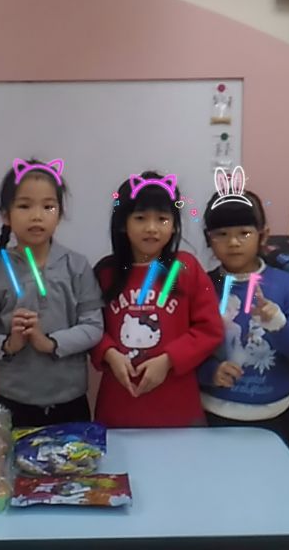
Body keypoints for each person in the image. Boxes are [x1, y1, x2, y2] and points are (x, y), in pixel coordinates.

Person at [0, 158, 104, 427]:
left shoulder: (77, 266)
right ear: (6, 215)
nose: (37, 215)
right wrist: (9, 344)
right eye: (24, 206)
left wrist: (49, 342)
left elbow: (94, 326)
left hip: (70, 399)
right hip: (11, 400)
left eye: (48, 206)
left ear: (59, 214)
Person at [90, 172, 224, 427]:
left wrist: (169, 359)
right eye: (140, 218)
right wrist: (109, 353)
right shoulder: (105, 273)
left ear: (174, 225)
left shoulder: (186, 267)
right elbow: (89, 327)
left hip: (177, 407)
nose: (151, 228)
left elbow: (211, 328)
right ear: (123, 223)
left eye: (162, 219)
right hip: (119, 405)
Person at [196, 185, 289, 445]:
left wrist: (278, 323)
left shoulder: (285, 283)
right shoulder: (202, 286)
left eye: (244, 233)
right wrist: (210, 372)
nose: (233, 242)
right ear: (208, 239)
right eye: (222, 234)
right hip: (214, 416)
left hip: (275, 417)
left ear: (263, 235)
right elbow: (190, 350)